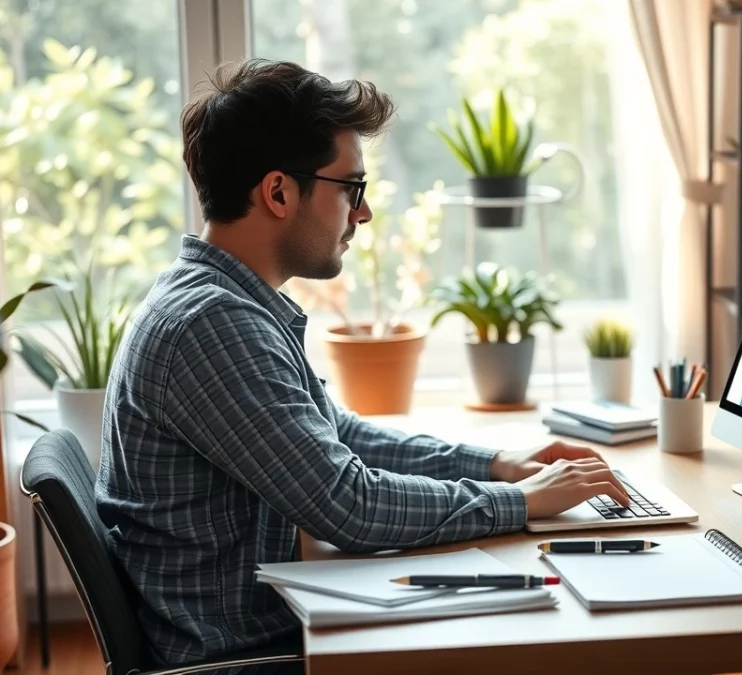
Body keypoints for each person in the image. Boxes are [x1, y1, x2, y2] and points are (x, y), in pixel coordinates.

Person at [95, 59, 631, 674]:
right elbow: (346, 505)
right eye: (351, 188)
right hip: (250, 660)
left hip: (268, 631)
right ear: (277, 192)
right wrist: (518, 502)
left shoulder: (223, 302)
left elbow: (337, 437)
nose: (364, 214)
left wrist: (496, 466)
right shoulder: (213, 326)